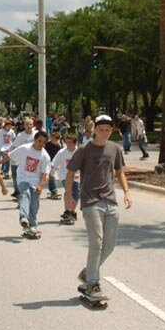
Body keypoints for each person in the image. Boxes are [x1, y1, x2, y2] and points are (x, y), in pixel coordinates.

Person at [65, 115, 132, 301]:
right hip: (91, 202)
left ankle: (88, 273)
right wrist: (68, 194)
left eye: (108, 130)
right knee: (97, 242)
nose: (104, 133)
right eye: (101, 129)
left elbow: (119, 172)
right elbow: (71, 172)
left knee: (109, 245)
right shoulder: (84, 149)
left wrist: (126, 192)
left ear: (112, 131)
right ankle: (93, 283)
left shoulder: (115, 148)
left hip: (110, 201)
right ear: (94, 130)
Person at [0, 131, 51, 237]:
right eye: (39, 141)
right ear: (34, 139)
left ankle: (32, 226)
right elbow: (10, 156)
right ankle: (23, 217)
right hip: (22, 178)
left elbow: (44, 172)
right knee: (25, 195)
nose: (41, 144)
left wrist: (40, 185)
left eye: (44, 143)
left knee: (34, 204)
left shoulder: (45, 156)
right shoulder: (24, 148)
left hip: (35, 181)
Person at [51, 133, 80, 224]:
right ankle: (68, 211)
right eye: (66, 142)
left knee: (76, 194)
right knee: (69, 191)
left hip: (77, 176)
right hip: (64, 175)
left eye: (70, 142)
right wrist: (49, 173)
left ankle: (70, 212)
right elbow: (54, 164)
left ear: (75, 143)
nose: (68, 144)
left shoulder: (80, 152)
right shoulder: (62, 152)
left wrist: (80, 174)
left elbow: (87, 165)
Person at [7, 118, 37, 198]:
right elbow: (15, 147)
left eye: (30, 124)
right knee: (19, 177)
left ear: (33, 125)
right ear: (24, 125)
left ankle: (29, 194)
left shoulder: (36, 134)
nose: (29, 126)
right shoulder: (20, 135)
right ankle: (20, 194)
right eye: (27, 124)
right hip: (22, 160)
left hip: (34, 160)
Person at [44, 132, 62, 200]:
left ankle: (53, 190)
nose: (51, 138)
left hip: (54, 164)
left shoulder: (58, 146)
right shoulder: (47, 145)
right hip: (46, 162)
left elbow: (60, 156)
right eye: (51, 137)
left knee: (51, 176)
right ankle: (52, 189)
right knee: (46, 176)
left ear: (56, 139)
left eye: (53, 137)